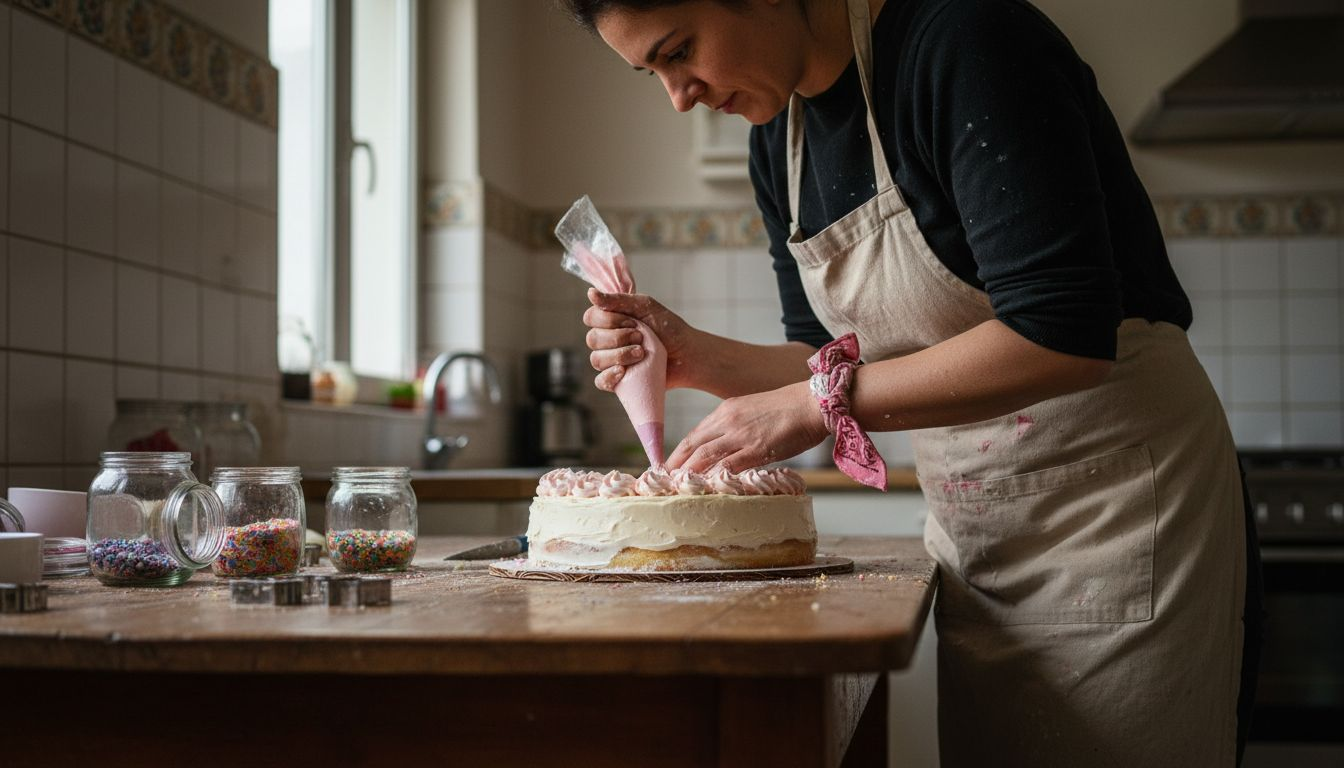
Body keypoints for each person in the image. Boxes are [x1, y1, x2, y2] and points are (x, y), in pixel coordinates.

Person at [561, 0, 1263, 764]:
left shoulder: (966, 42)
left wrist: (814, 403)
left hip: (1118, 514)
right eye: (653, 72)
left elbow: (1063, 329)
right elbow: (828, 359)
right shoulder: (778, 144)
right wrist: (689, 354)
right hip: (982, 540)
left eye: (679, 50)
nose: (679, 95)